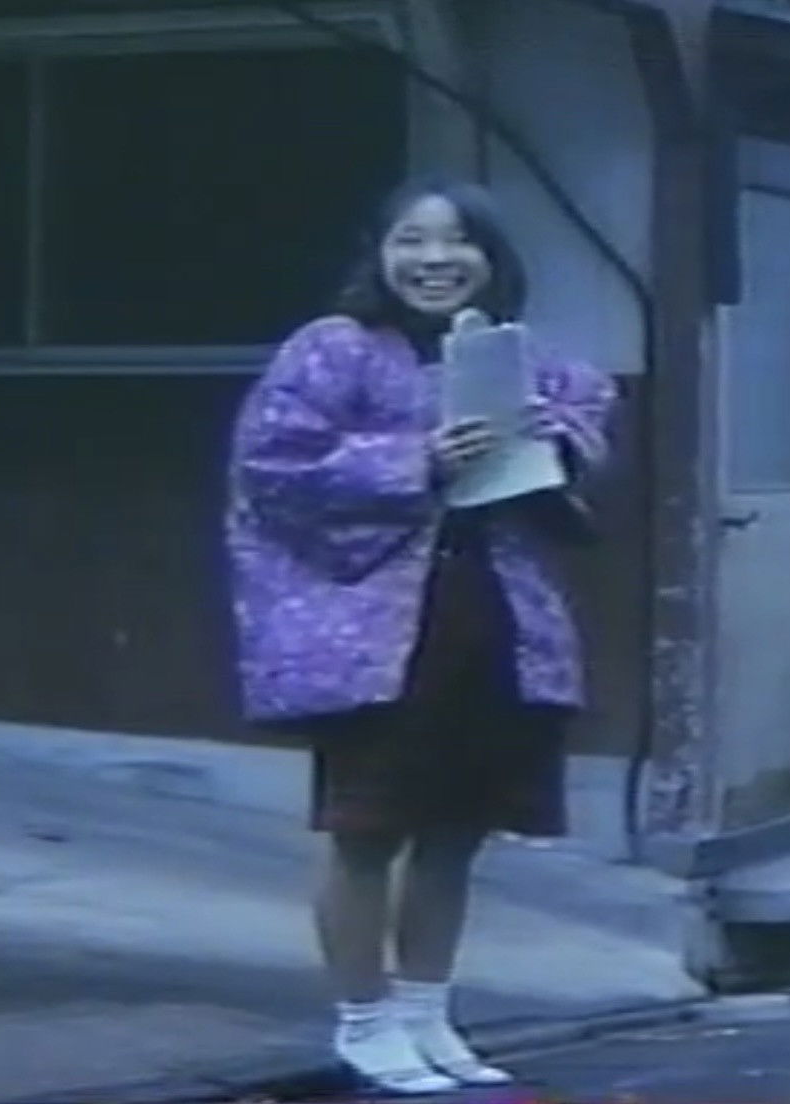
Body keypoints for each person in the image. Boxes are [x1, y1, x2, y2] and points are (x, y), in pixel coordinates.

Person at [224, 179, 615, 1094]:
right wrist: (416, 460)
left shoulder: (539, 363)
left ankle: (427, 1015)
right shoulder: (333, 350)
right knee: (368, 828)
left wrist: (550, 441)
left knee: (457, 829)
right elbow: (272, 467)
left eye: (459, 243)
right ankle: (363, 1023)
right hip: (379, 625)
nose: (435, 260)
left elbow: (590, 435)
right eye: (413, 241)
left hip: (496, 616)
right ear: (382, 253)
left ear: (494, 260)